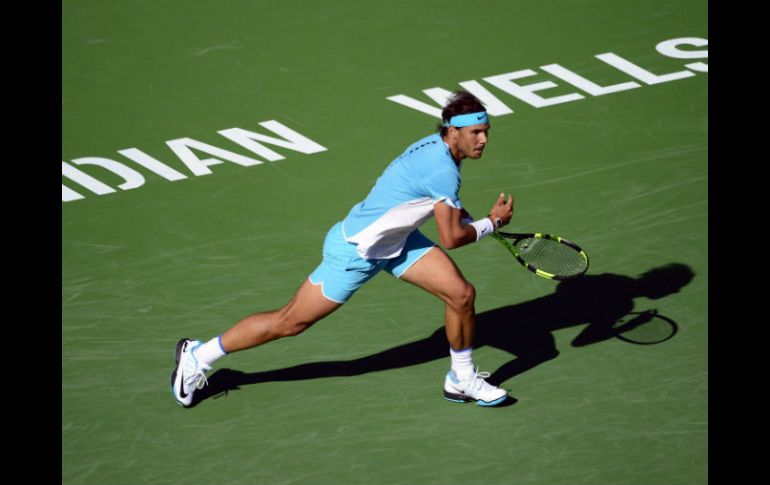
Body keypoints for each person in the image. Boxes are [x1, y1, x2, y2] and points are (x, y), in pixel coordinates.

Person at [171, 90, 515, 407]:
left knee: (461, 295)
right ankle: (199, 356)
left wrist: (471, 219)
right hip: (357, 251)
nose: (484, 140)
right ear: (453, 132)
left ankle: (462, 378)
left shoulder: (438, 148)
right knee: (289, 322)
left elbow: (435, 202)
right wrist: (491, 223)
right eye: (476, 133)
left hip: (398, 242)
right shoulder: (442, 169)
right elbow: (451, 238)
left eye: (486, 131)